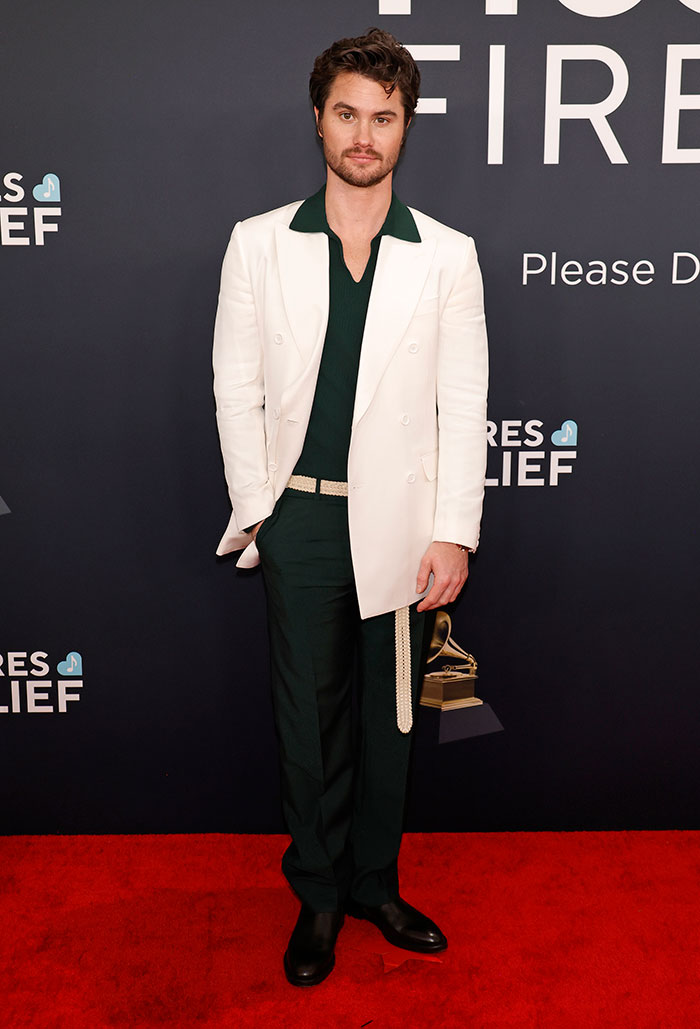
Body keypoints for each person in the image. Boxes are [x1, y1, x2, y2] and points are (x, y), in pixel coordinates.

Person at [212, 28, 488, 987]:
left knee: (390, 722)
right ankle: (319, 896)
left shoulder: (448, 257)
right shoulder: (257, 244)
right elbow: (234, 389)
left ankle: (376, 881)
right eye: (347, 113)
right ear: (319, 119)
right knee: (309, 721)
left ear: (404, 127)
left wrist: (454, 528)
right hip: (303, 525)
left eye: (383, 117)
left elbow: (466, 400)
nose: (364, 135)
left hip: (406, 530)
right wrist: (265, 513)